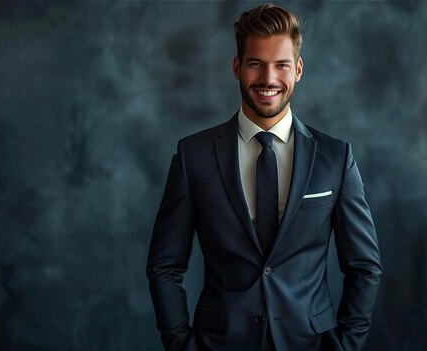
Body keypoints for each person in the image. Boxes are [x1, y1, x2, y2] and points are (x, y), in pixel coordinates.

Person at [146, 3, 382, 351]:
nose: (269, 79)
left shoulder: (335, 157)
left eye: (281, 65)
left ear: (298, 69)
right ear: (237, 67)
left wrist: (346, 346)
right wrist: (180, 343)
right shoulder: (193, 156)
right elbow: (165, 265)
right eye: (256, 64)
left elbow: (364, 267)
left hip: (312, 343)